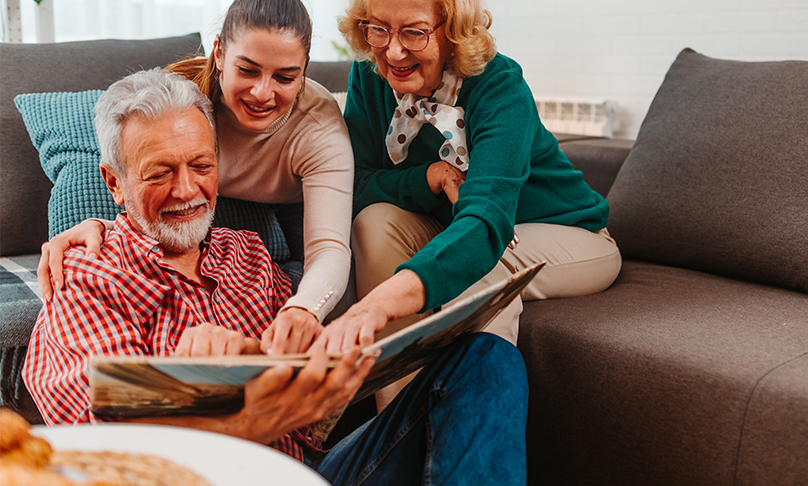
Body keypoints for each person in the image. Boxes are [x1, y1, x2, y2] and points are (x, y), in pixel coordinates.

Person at [21, 69, 529, 485]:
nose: (186, 190)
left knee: (486, 358)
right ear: (114, 182)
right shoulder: (85, 274)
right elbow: (112, 442)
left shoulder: (250, 255)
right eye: (158, 173)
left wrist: (296, 368)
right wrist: (246, 404)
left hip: (310, 473)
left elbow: (306, 417)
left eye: (200, 165)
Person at [313, 0, 621, 370]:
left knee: (479, 265)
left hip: (568, 233)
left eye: (414, 32)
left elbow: (485, 220)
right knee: (373, 222)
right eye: (378, 28)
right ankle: (397, 419)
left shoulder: (499, 85)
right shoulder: (371, 76)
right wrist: (429, 178)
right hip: (454, 225)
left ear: (452, 29)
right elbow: (356, 184)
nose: (393, 51)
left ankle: (471, 423)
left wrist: (380, 303)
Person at [37, 0, 351, 355]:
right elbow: (131, 170)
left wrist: (303, 309)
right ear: (218, 54)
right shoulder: (183, 95)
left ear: (304, 71)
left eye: (285, 77)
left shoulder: (319, 128)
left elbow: (330, 248)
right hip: (210, 215)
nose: (263, 93)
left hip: (296, 212)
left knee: (325, 304)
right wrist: (96, 225)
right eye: (248, 70)